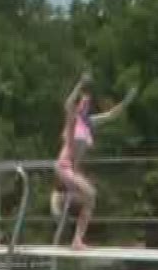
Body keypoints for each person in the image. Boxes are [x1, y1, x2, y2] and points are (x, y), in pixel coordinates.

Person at [53, 73, 133, 250]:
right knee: (90, 194)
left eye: (87, 103)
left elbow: (111, 115)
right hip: (64, 166)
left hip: (73, 169)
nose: (85, 104)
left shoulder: (88, 123)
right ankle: (61, 200)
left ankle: (75, 236)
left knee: (89, 198)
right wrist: (80, 84)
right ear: (78, 104)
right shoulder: (72, 120)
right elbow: (67, 104)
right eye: (83, 102)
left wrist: (127, 101)